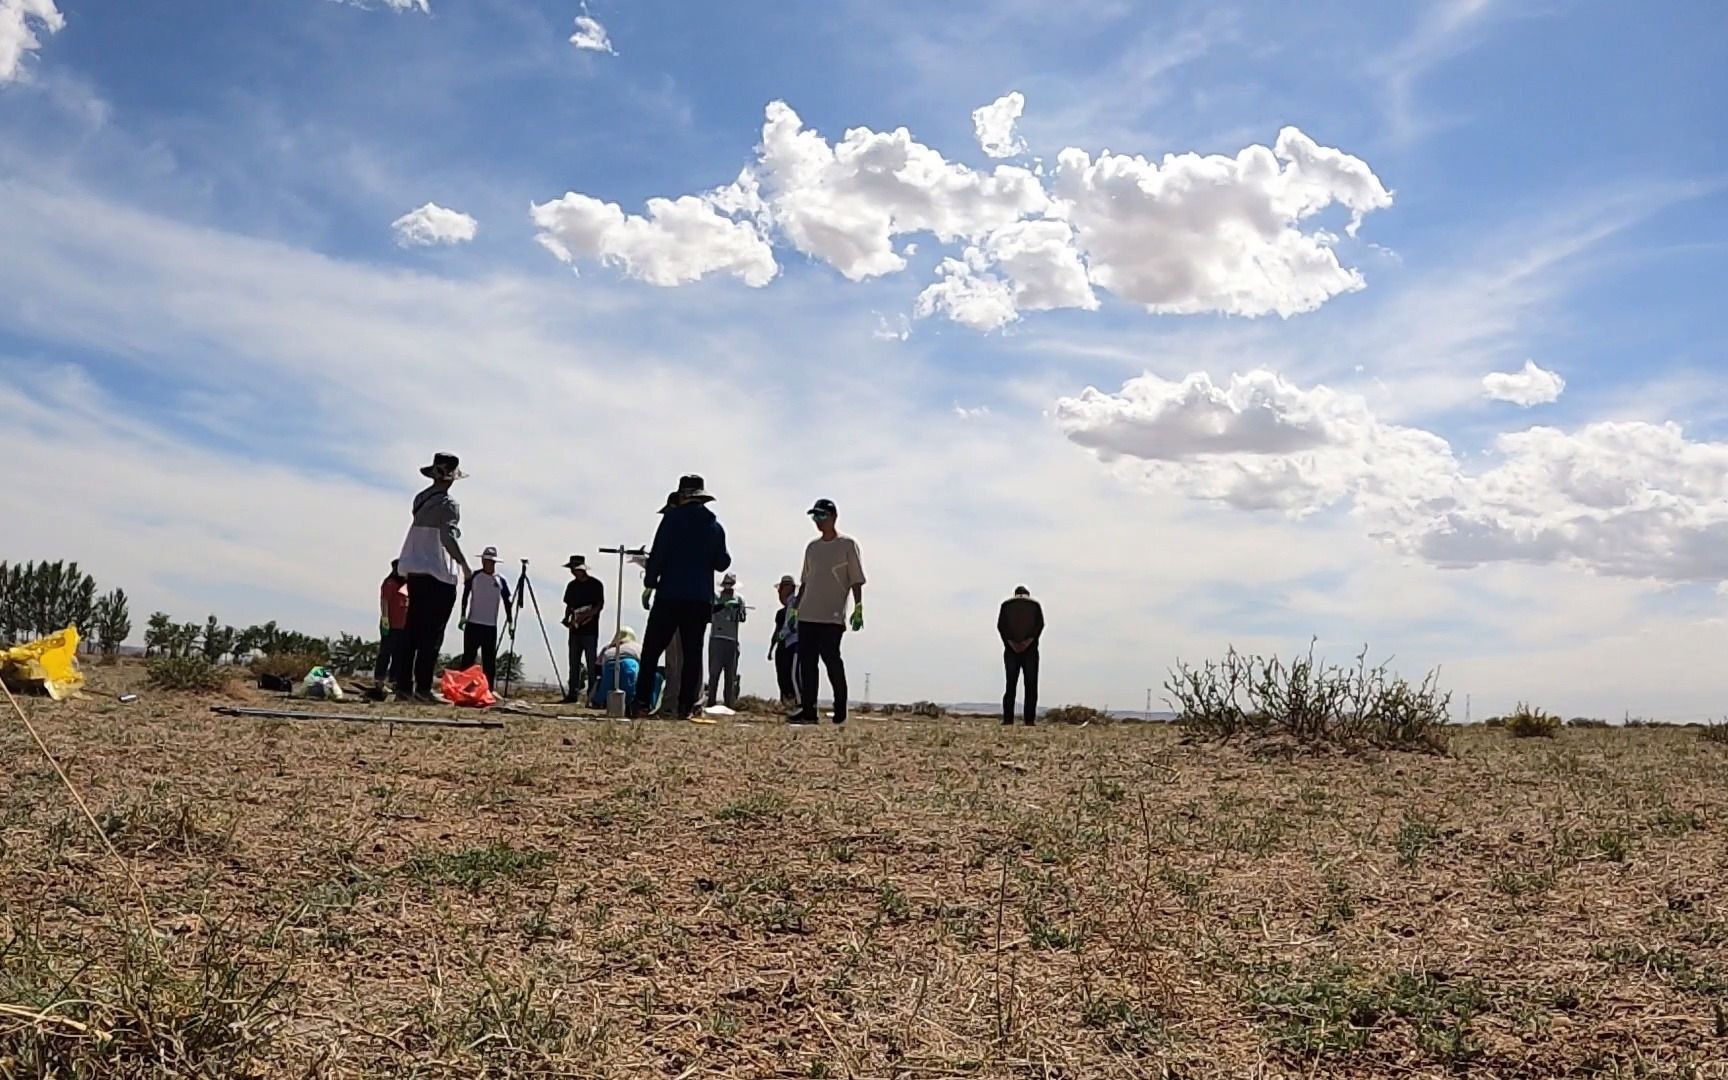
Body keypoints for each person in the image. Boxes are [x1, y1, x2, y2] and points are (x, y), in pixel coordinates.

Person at [634, 475, 731, 721]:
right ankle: (685, 707)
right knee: (692, 654)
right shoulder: (715, 526)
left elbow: (658, 553)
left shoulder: (672, 519)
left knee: (652, 650)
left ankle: (641, 703)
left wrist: (650, 581)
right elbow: (723, 563)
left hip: (670, 594)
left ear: (683, 496)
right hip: (699, 599)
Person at [395, 451, 471, 703]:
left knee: (412, 631)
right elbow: (448, 537)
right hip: (438, 571)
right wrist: (464, 564)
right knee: (432, 634)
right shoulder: (448, 504)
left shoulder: (420, 499)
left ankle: (403, 686)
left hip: (414, 567)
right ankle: (423, 687)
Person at [788, 498, 865, 726]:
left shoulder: (847, 545)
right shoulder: (812, 548)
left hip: (831, 616)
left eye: (822, 516)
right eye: (815, 517)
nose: (818, 521)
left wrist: (858, 607)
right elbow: (805, 581)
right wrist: (794, 609)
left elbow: (856, 580)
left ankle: (840, 708)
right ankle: (809, 711)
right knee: (807, 664)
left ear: (833, 517)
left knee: (832, 661)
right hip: (807, 614)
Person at [458, 546, 512, 690]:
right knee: (468, 658)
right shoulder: (474, 576)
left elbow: (507, 602)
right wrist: (462, 615)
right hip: (473, 623)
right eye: (486, 560)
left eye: (491, 561)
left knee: (489, 661)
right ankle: (462, 688)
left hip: (490, 626)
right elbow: (465, 595)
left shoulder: (500, 580)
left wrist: (510, 621)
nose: (488, 563)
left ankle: (488, 690)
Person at [560, 555, 604, 704]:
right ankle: (573, 693)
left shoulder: (596, 585)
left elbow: (598, 607)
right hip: (575, 630)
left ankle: (592, 695)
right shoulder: (571, 586)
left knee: (592, 663)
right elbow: (569, 606)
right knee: (574, 663)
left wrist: (584, 616)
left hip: (590, 631)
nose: (573, 571)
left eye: (576, 569)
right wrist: (568, 619)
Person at [998, 585, 1045, 726]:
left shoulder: (1006, 605)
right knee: (1031, 685)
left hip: (1011, 649)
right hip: (1030, 650)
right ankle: (1029, 720)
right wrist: (1028, 642)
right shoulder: (1035, 604)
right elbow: (1040, 625)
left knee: (1010, 685)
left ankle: (1008, 719)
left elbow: (1001, 626)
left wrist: (1012, 643)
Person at [706, 573, 747, 708]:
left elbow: (742, 618)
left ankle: (729, 704)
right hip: (717, 638)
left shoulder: (739, 599)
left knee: (731, 675)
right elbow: (709, 612)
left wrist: (738, 610)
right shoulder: (716, 597)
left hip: (732, 640)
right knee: (714, 673)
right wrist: (724, 606)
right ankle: (711, 701)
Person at [374, 559, 409, 690]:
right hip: (391, 624)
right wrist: (385, 618)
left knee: (399, 654)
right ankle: (379, 678)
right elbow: (385, 601)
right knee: (385, 652)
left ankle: (394, 680)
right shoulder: (390, 583)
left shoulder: (406, 585)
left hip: (403, 625)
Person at [769, 574, 798, 707]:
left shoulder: (795, 604)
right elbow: (777, 630)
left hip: (793, 644)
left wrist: (783, 634)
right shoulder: (781, 613)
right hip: (782, 645)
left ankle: (796, 702)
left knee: (791, 675)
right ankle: (786, 702)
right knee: (782, 675)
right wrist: (771, 648)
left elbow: (791, 626)